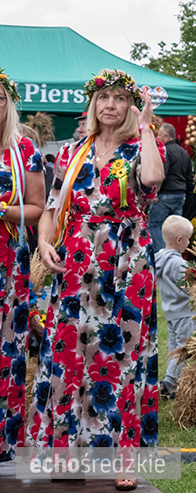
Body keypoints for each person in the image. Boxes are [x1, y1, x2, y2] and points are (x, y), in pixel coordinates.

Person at [28, 69, 165, 491]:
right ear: (93, 104)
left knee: (121, 358)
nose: (111, 104)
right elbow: (52, 207)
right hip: (74, 266)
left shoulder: (142, 146)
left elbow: (153, 180)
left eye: (120, 98)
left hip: (126, 266)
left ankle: (124, 459)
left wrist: (145, 127)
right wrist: (45, 244)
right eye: (104, 96)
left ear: (129, 107)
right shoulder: (72, 152)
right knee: (68, 356)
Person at [0, 68, 45, 463]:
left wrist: (3, 209)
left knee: (7, 346)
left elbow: (36, 209)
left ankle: (2, 438)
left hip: (7, 260)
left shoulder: (23, 150)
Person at [155, 215, 195, 400]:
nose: (189, 242)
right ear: (180, 240)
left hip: (171, 311)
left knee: (174, 348)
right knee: (184, 348)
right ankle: (171, 383)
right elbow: (190, 287)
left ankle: (170, 381)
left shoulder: (160, 259)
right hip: (185, 312)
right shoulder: (178, 263)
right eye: (188, 239)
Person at [148, 123, 193, 253]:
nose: (158, 137)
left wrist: (154, 193)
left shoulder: (165, 151)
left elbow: (162, 174)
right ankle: (175, 256)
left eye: (160, 135)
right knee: (176, 229)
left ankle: (162, 255)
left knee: (155, 224)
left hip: (165, 194)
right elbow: (190, 177)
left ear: (167, 136)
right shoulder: (184, 152)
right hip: (180, 195)